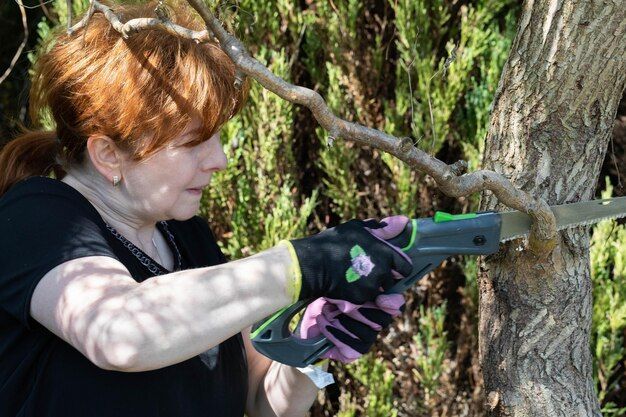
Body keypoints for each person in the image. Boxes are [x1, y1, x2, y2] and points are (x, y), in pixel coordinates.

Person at [0, 2, 413, 416]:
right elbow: (121, 332)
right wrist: (301, 266)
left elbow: (260, 400)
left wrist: (310, 345)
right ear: (108, 154)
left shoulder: (185, 234)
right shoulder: (37, 217)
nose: (219, 160)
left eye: (216, 137)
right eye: (192, 142)